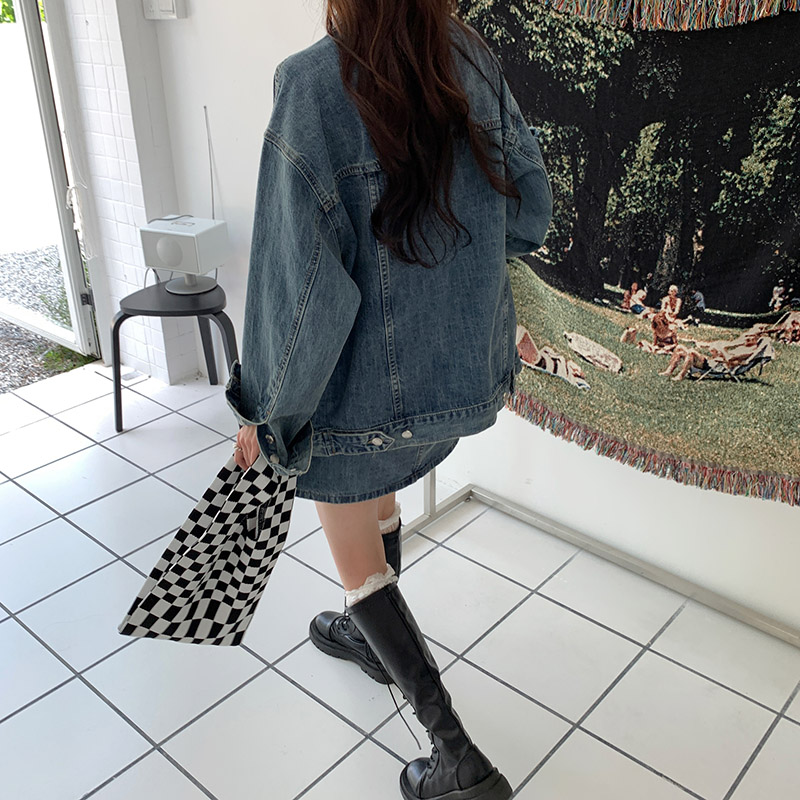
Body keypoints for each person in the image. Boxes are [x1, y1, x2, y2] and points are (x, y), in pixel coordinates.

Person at [225, 5, 552, 799]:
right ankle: (372, 642)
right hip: (457, 379)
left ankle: (458, 759)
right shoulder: (467, 56)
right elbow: (529, 211)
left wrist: (266, 414)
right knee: (382, 482)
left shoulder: (310, 86)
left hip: (354, 396)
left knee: (354, 537)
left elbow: (298, 290)